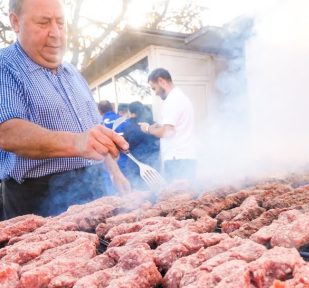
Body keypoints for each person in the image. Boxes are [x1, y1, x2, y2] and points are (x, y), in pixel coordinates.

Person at [0, 0, 130, 219]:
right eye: (44, 22)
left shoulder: (73, 72)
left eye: (60, 22)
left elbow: (93, 128)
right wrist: (77, 142)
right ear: (15, 22)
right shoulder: (5, 66)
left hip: (93, 185)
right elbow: (7, 132)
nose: (56, 33)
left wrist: (115, 172)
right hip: (39, 198)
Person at [139, 68, 196, 182]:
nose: (155, 92)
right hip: (184, 158)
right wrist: (154, 127)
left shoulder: (173, 100)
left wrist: (148, 130)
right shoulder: (179, 97)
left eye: (154, 88)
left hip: (178, 160)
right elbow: (170, 127)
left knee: (177, 197)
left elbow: (167, 132)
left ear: (161, 81)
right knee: (186, 195)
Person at [120, 101, 160, 190]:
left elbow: (125, 145)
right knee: (155, 190)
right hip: (154, 162)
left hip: (135, 165)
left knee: (137, 191)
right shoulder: (153, 123)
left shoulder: (129, 126)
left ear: (132, 113)